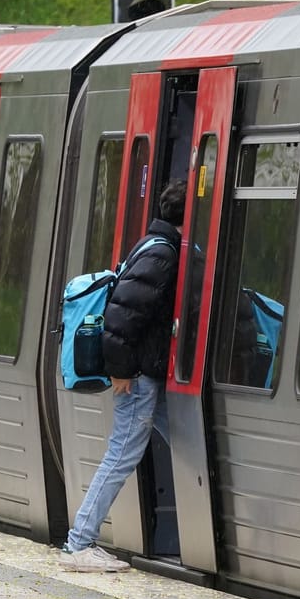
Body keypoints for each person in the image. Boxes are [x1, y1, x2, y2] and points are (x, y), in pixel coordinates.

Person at [60, 180, 186, 572]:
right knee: (121, 455)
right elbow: (120, 317)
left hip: (144, 373)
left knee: (189, 439)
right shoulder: (162, 255)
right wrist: (121, 371)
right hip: (138, 376)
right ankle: (80, 543)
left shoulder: (153, 245)